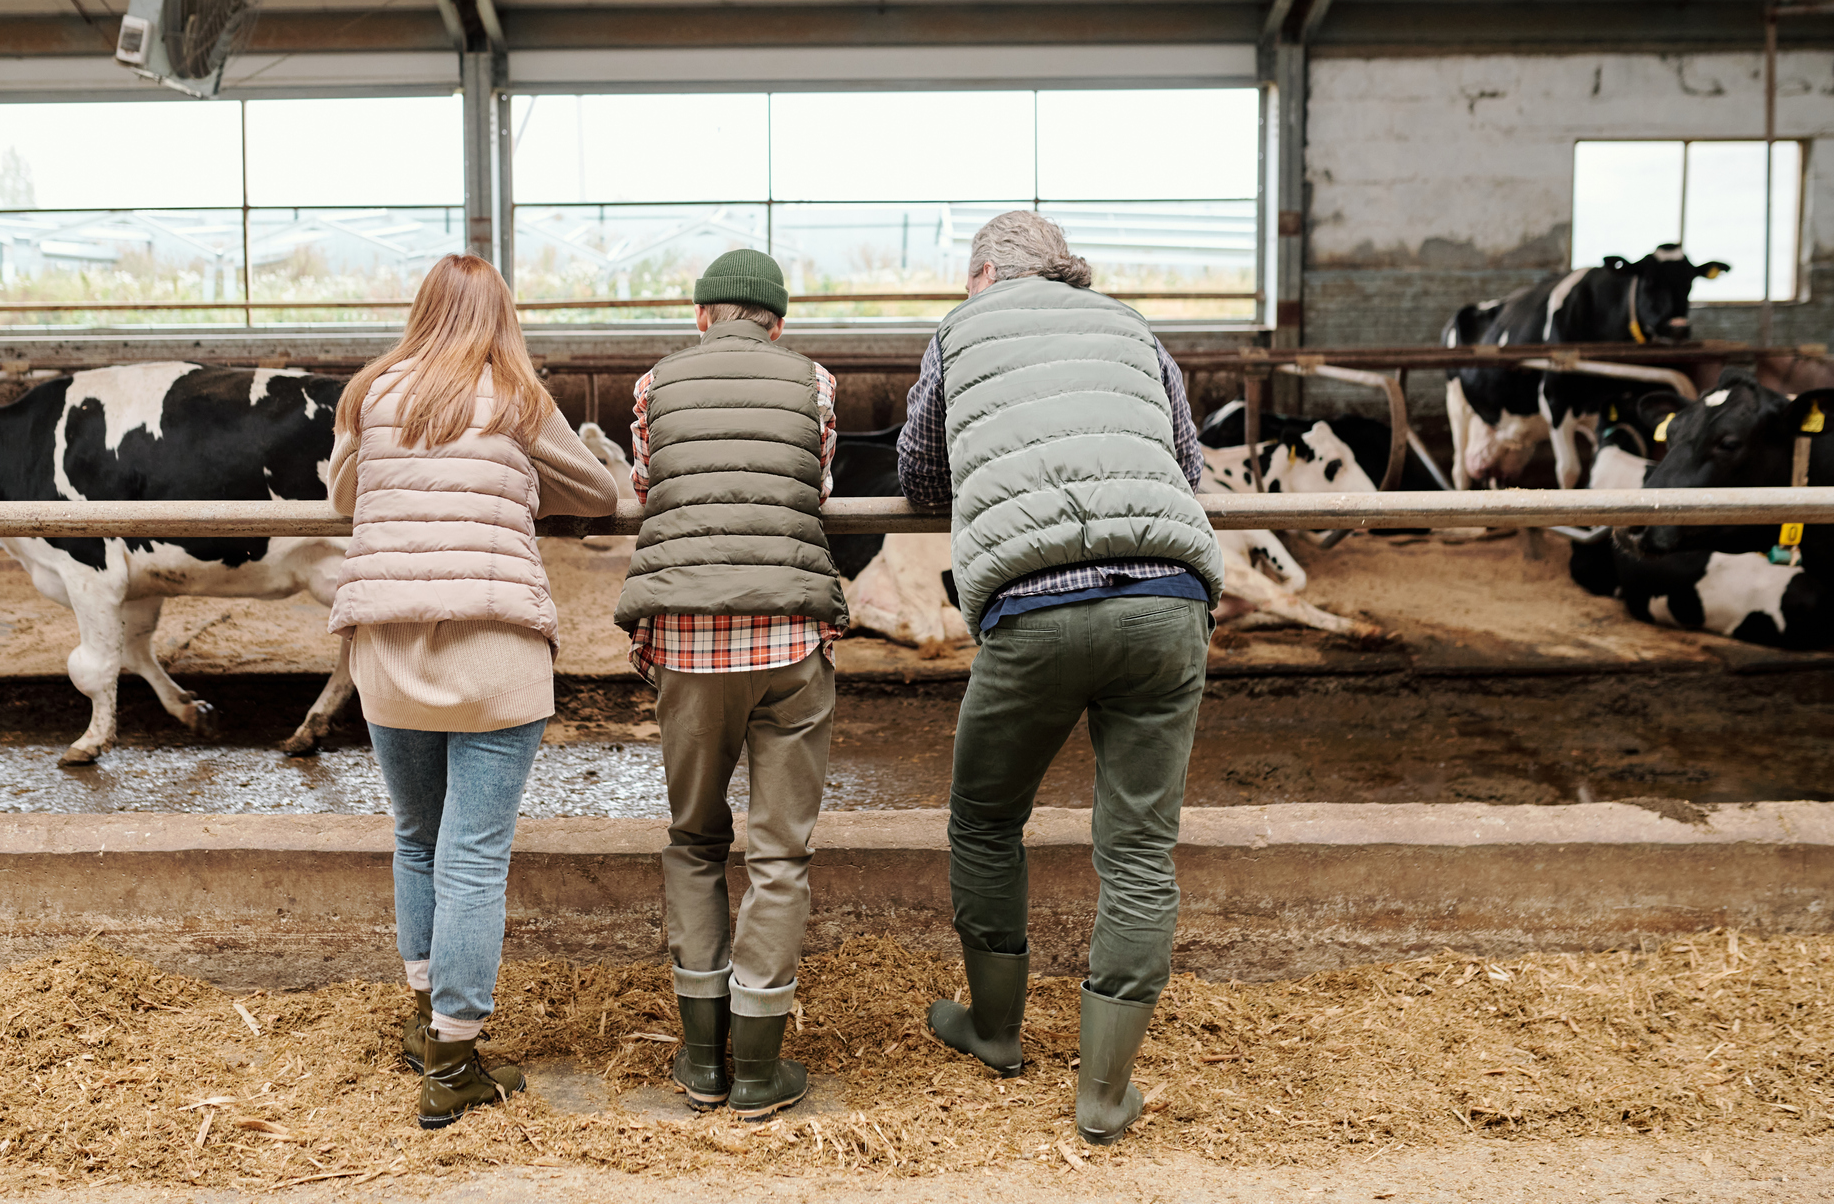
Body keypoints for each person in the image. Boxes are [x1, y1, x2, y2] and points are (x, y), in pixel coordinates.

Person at [896, 210, 1222, 1147]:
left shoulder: (962, 330)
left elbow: (921, 474)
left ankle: (995, 1030)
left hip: (1033, 611)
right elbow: (1185, 465)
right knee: (1137, 849)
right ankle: (1104, 1093)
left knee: (987, 816)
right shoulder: (1129, 324)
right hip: (1166, 603)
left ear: (986, 271)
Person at [327, 253, 619, 1130]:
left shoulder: (369, 394)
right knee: (474, 860)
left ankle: (426, 1026)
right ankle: (454, 1062)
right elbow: (599, 495)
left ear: (422, 310)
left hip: (387, 647)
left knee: (417, 836)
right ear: (501, 318)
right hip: (493, 648)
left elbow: (340, 493)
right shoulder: (519, 399)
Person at [612, 248, 846, 1119]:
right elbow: (816, 488)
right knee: (779, 852)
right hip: (787, 632)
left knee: (695, 838)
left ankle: (700, 1058)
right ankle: (757, 1068)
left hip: (685, 634)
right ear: (776, 322)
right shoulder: (814, 381)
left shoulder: (652, 384)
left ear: (702, 314)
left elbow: (646, 486)